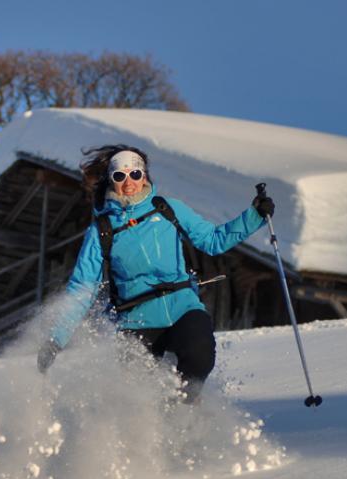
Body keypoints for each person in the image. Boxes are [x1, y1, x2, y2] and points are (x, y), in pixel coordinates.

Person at [37, 145, 274, 402]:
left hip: (182, 307)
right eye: (120, 177)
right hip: (135, 320)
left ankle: (180, 415)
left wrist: (254, 216)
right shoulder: (102, 229)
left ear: (144, 175)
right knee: (137, 396)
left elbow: (212, 240)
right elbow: (82, 288)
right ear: (111, 180)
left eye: (135, 175)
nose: (129, 183)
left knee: (199, 356)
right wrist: (56, 338)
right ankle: (149, 432)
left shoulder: (168, 209)